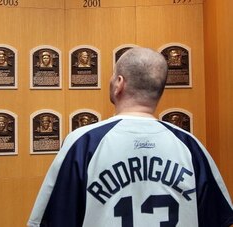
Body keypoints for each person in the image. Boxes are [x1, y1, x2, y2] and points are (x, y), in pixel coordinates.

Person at [27, 47, 233, 227]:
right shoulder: (190, 146)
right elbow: (216, 219)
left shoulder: (83, 143)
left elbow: (55, 219)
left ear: (119, 83)